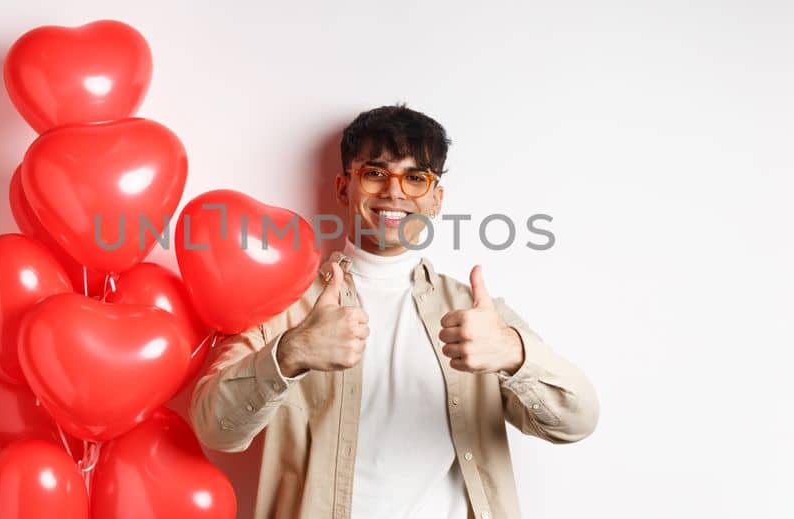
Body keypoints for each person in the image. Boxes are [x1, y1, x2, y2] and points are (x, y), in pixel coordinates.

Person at [190, 105, 598, 519]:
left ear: (436, 199)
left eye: (416, 178)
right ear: (344, 187)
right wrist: (289, 354)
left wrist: (514, 354)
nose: (395, 192)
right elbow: (215, 430)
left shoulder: (477, 317)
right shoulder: (285, 309)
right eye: (375, 173)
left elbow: (577, 420)